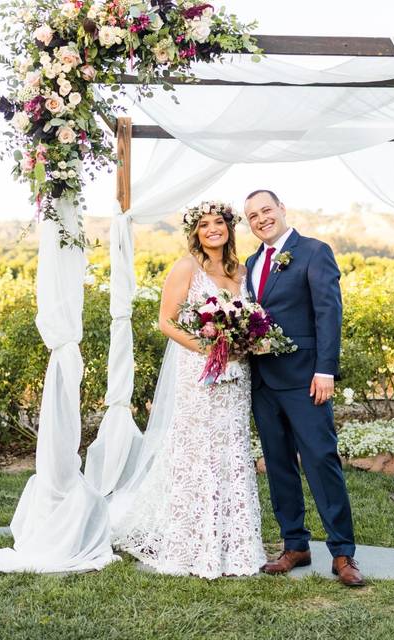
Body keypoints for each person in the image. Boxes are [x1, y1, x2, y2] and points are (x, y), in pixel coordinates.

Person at [112, 201, 267, 579]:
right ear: (195, 232)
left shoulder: (242, 270)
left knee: (231, 448)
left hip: (236, 376)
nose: (213, 229)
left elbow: (250, 319)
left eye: (219, 223)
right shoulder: (187, 267)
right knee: (198, 451)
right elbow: (166, 321)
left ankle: (235, 542)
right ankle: (193, 541)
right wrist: (208, 349)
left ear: (230, 228)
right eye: (204, 225)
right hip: (200, 373)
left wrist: (244, 343)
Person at [243, 189, 364, 587]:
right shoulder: (250, 262)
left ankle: (343, 552)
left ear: (281, 209)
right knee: (277, 464)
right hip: (263, 381)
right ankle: (294, 544)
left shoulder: (313, 251)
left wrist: (325, 370)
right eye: (252, 216)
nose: (260, 219)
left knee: (321, 460)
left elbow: (328, 311)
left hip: (306, 379)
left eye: (266, 210)